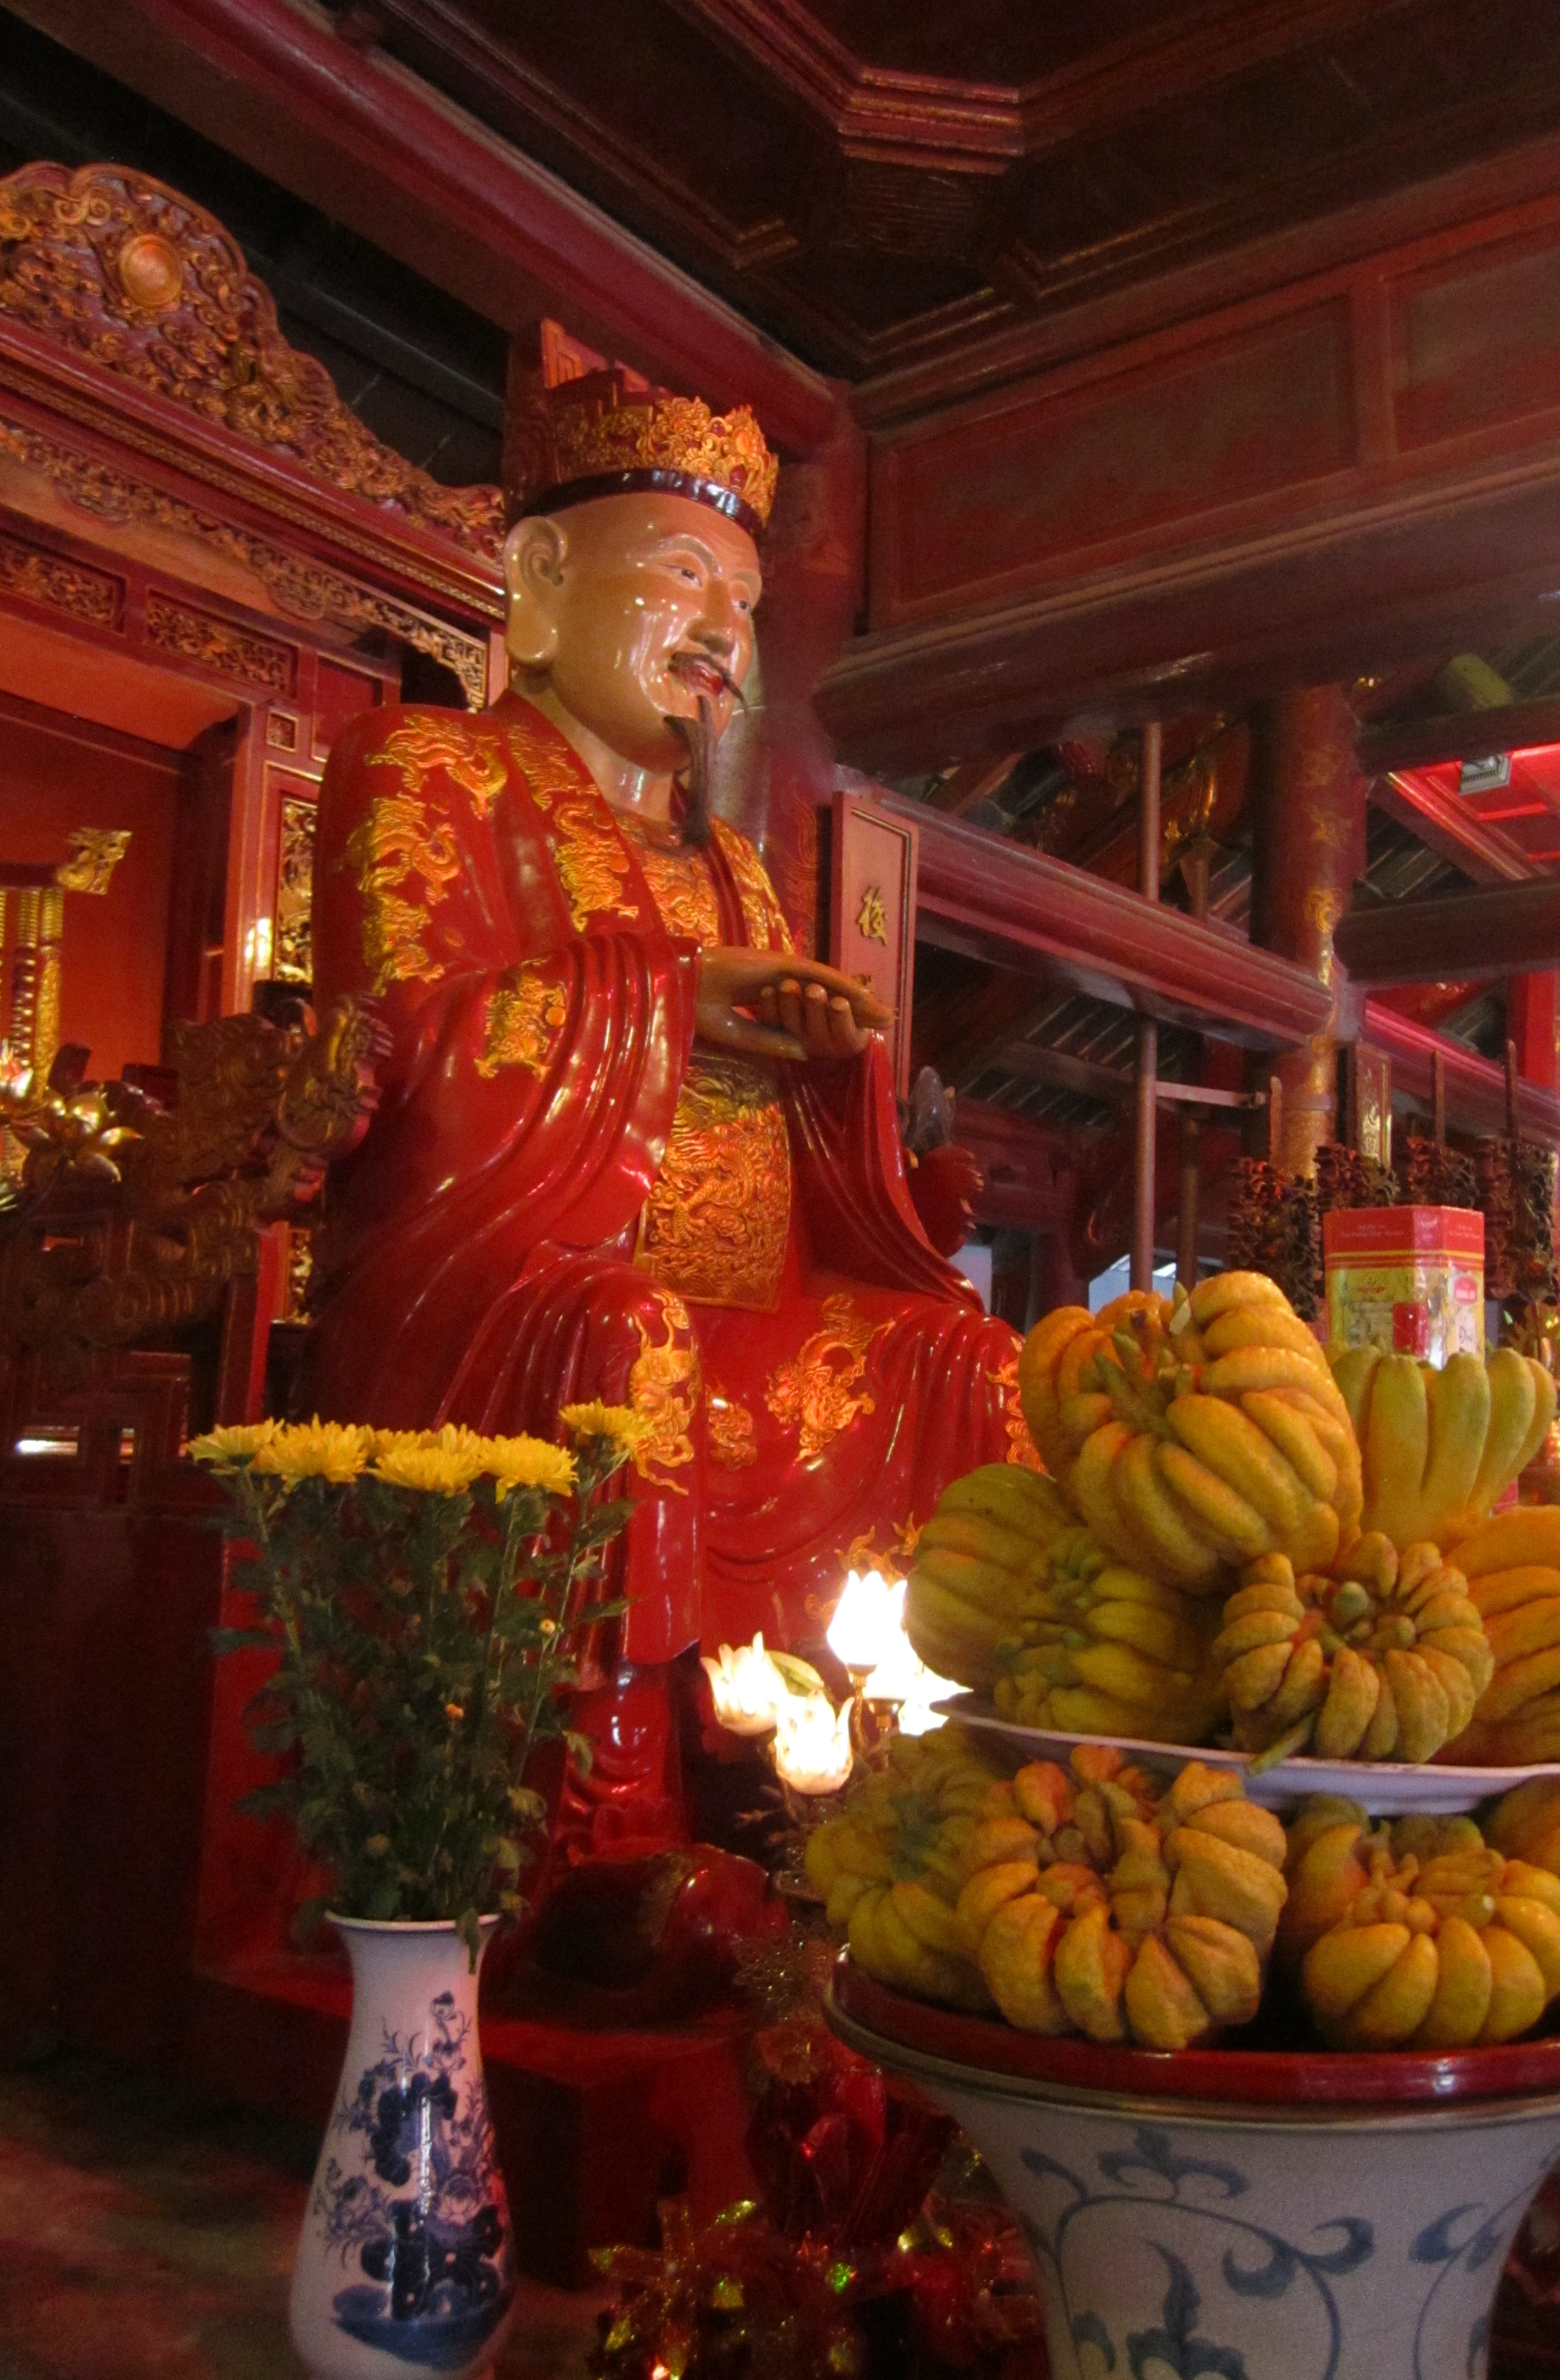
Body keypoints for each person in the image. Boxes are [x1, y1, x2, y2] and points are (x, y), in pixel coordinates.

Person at [305, 349, 1030, 1857]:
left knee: (959, 1355)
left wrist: (830, 1064)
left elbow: (795, 1140)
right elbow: (408, 1046)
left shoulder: (734, 861)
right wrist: (665, 999)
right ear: (543, 578)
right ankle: (610, 1825)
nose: (723, 634)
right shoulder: (425, 768)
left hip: (750, 1298)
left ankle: (930, 1784)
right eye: (686, 577)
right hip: (502, 1286)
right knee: (625, 1336)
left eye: (747, 605)